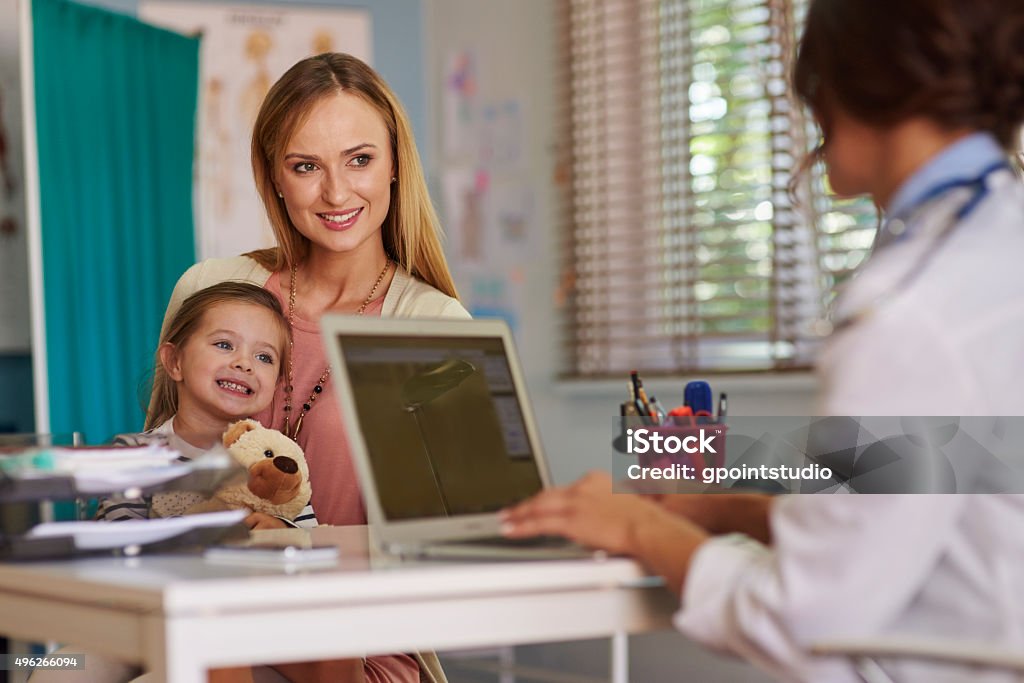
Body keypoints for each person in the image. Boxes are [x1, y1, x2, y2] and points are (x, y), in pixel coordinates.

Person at [502, 1, 1024, 681]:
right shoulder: (994, 251)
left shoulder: (909, 317)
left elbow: (802, 621)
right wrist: (728, 507)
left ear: (853, 86)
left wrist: (638, 528)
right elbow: (937, 501)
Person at [154, 52, 465, 683]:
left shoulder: (434, 330)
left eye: (360, 159)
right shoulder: (212, 288)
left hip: (353, 642)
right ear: (274, 177)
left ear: (395, 164)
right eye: (305, 167)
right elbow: (166, 466)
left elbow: (449, 550)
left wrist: (286, 542)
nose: (336, 192)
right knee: (56, 660)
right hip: (200, 606)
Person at [97, 281, 315, 529]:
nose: (245, 363)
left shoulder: (278, 459)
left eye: (264, 357)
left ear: (276, 384)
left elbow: (312, 544)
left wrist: (283, 530)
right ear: (175, 360)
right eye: (224, 345)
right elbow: (120, 545)